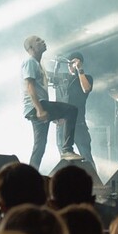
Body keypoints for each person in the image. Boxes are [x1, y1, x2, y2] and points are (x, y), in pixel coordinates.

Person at [21, 35, 80, 170]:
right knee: (72, 110)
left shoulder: (38, 64)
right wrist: (40, 109)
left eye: (42, 39)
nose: (42, 41)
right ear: (31, 47)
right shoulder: (30, 62)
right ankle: (67, 149)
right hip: (36, 106)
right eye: (38, 40)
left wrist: (54, 115)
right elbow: (29, 86)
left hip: (37, 107)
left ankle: (30, 174)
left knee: (40, 146)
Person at [56, 51, 95, 170]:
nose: (70, 65)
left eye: (73, 62)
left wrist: (79, 70)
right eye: (69, 62)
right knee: (64, 158)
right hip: (62, 124)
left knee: (86, 156)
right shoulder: (62, 78)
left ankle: (94, 179)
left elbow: (86, 89)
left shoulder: (87, 78)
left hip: (78, 123)